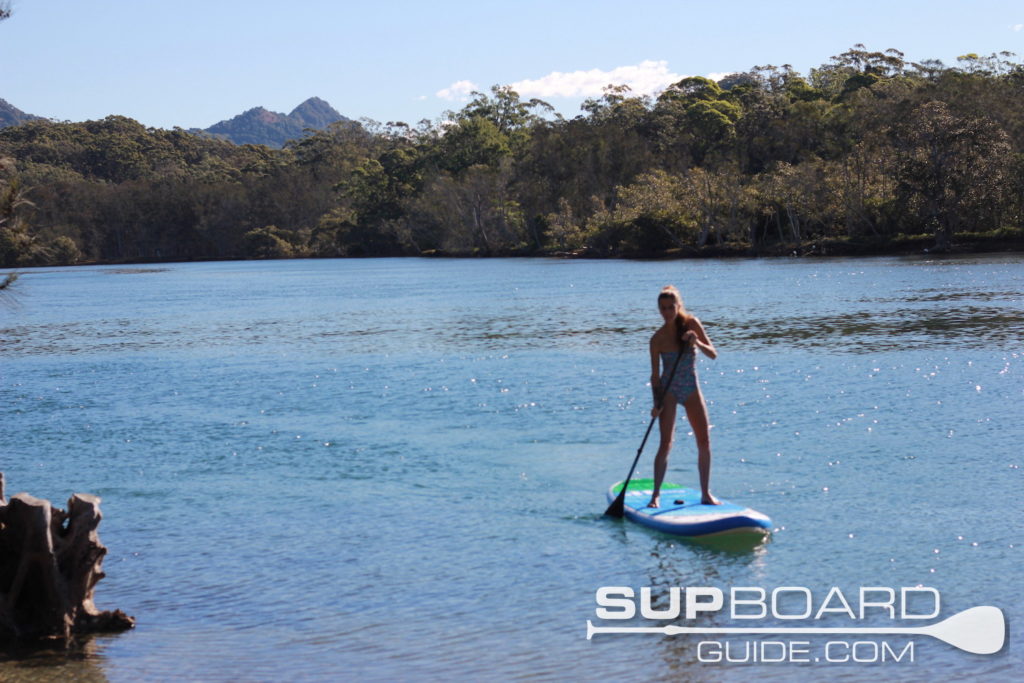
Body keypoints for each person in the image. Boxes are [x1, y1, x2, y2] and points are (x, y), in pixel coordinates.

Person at [647, 285, 720, 508]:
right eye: (663, 308)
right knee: (665, 443)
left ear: (679, 306)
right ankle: (655, 496)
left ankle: (706, 494)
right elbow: (655, 377)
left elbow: (713, 354)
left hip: (690, 387)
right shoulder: (656, 339)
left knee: (704, 441)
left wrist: (695, 341)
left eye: (671, 307)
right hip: (668, 390)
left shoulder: (691, 324)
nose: (667, 312)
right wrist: (656, 403)